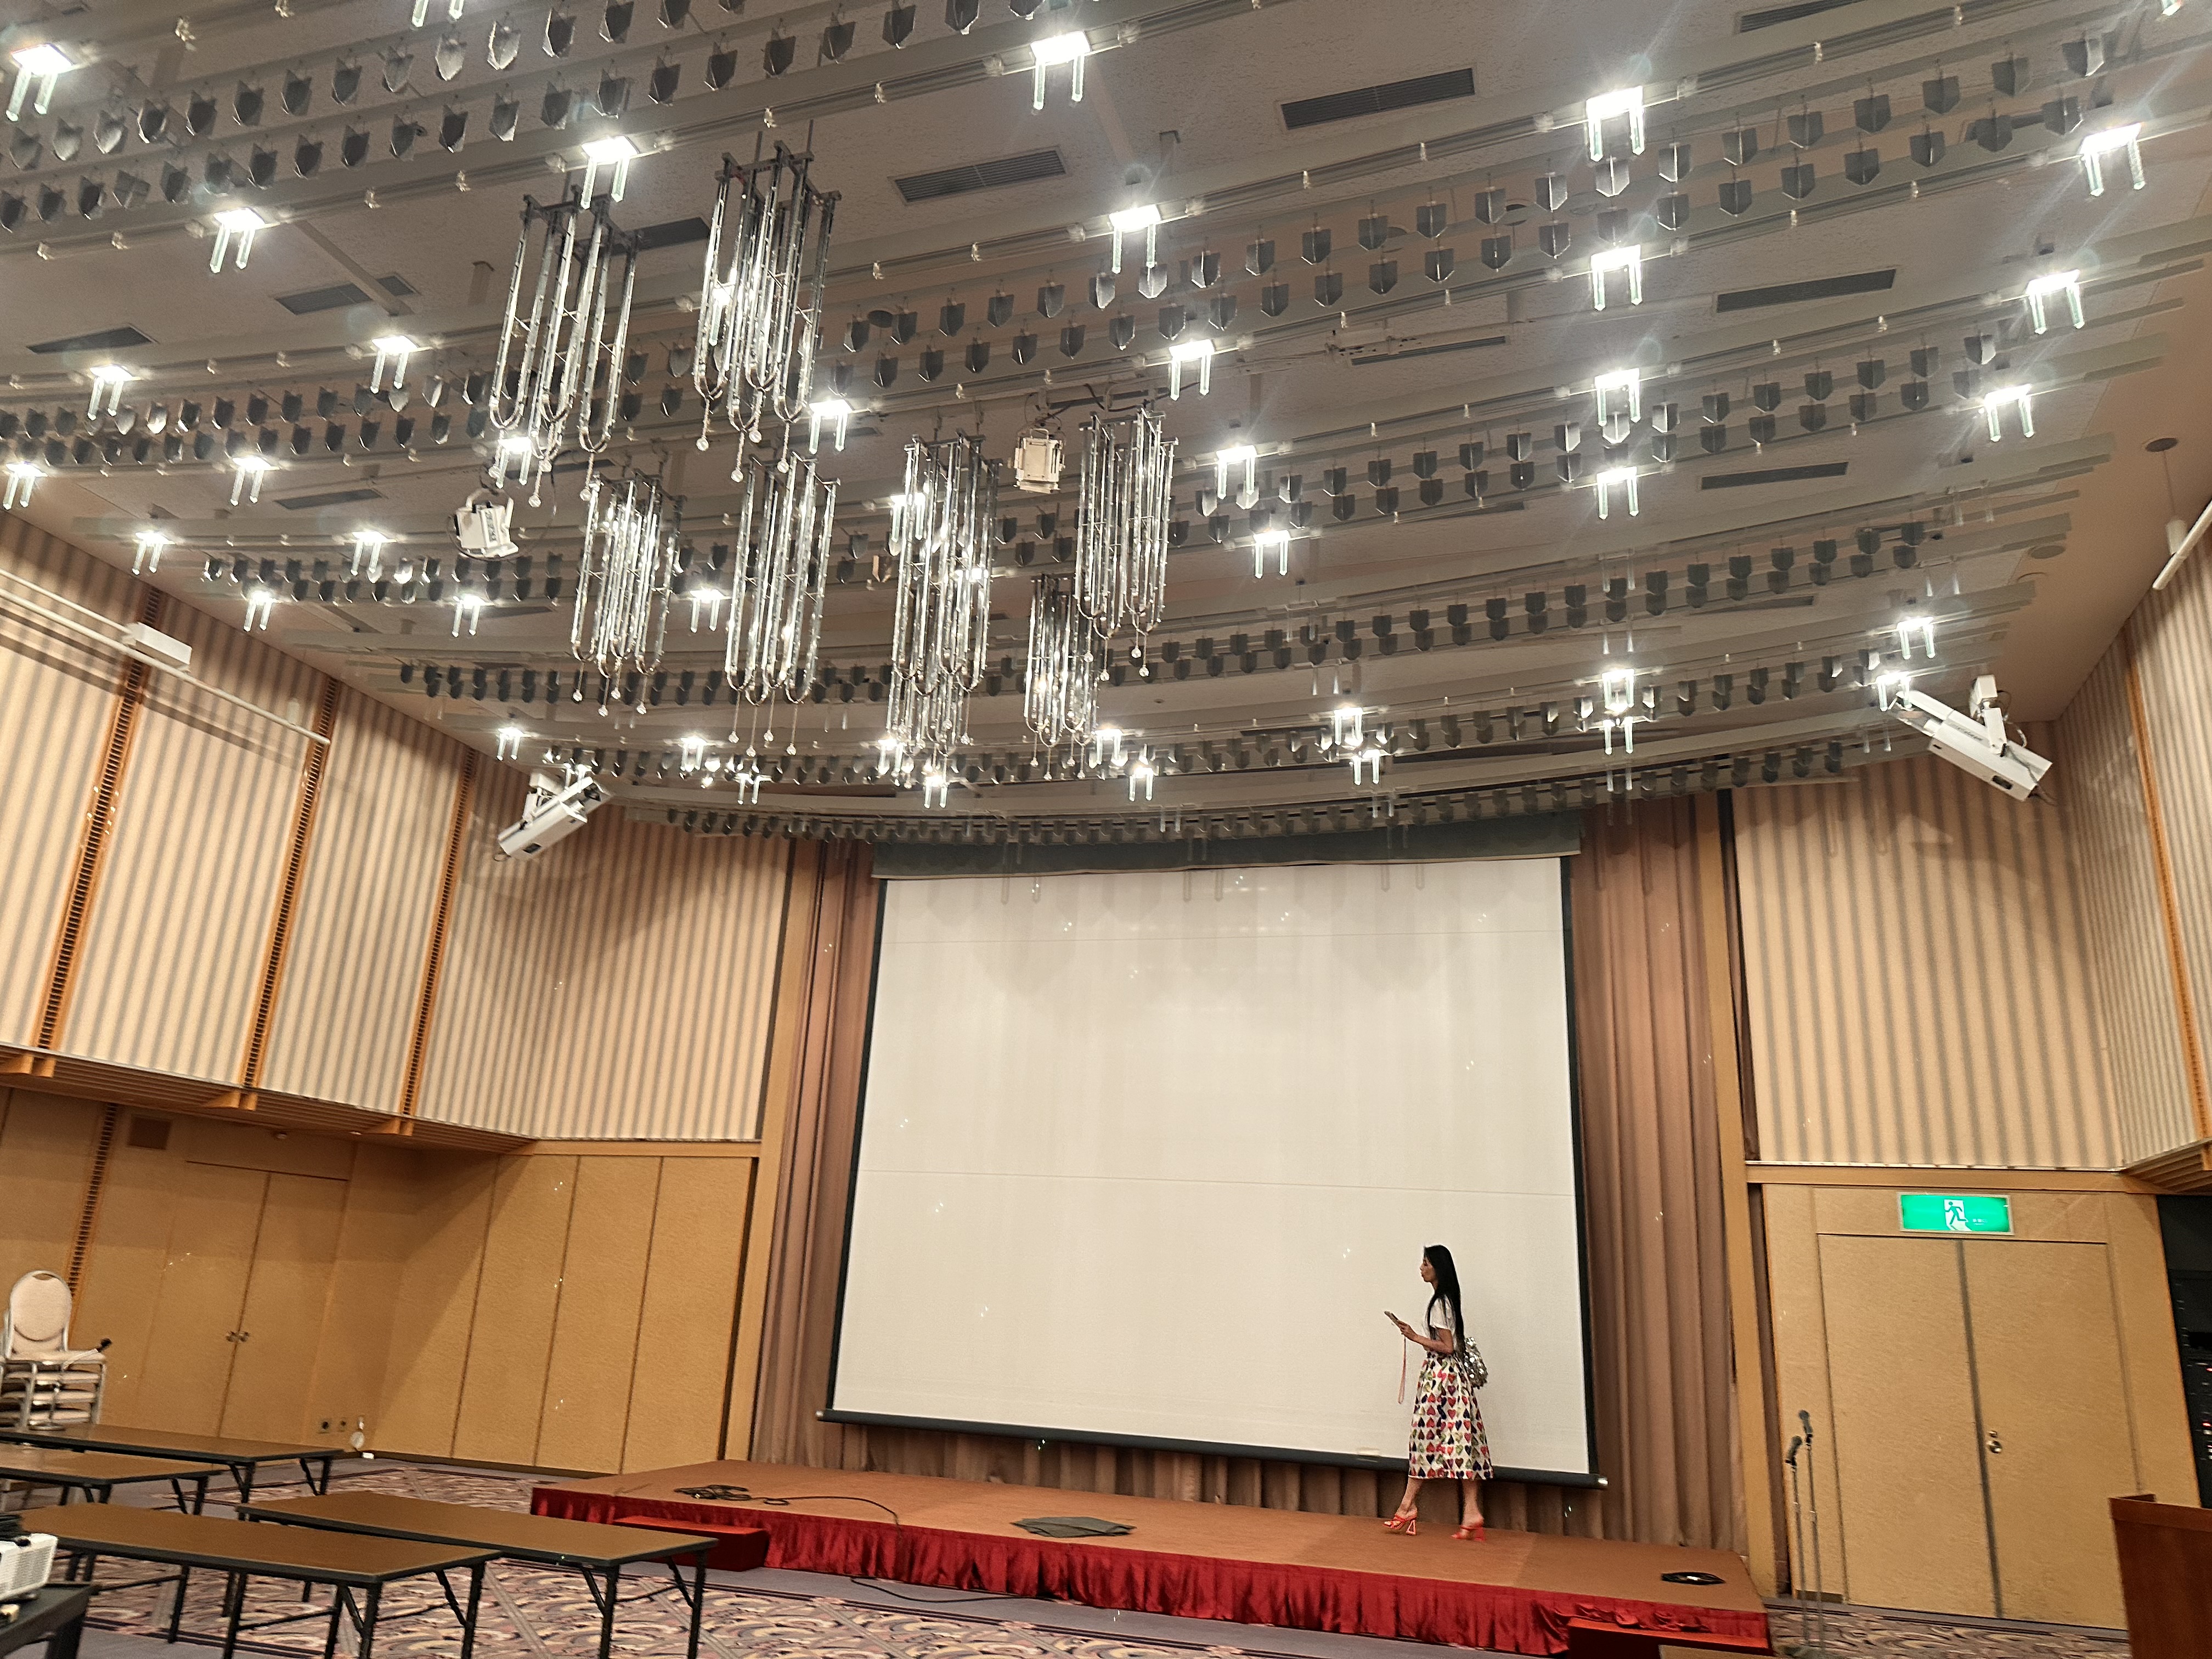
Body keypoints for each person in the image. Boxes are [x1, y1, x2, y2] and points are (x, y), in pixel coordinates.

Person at [1384, 1243, 1491, 1539]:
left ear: (1438, 1268)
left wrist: (1415, 1337)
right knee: (1462, 1442)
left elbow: (1448, 1346)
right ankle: (1471, 1512)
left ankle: (1407, 1506)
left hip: (1441, 1379)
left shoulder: (1440, 1303)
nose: (1421, 1268)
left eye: (1426, 1263)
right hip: (1451, 1379)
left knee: (1425, 1438)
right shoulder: (1445, 1300)